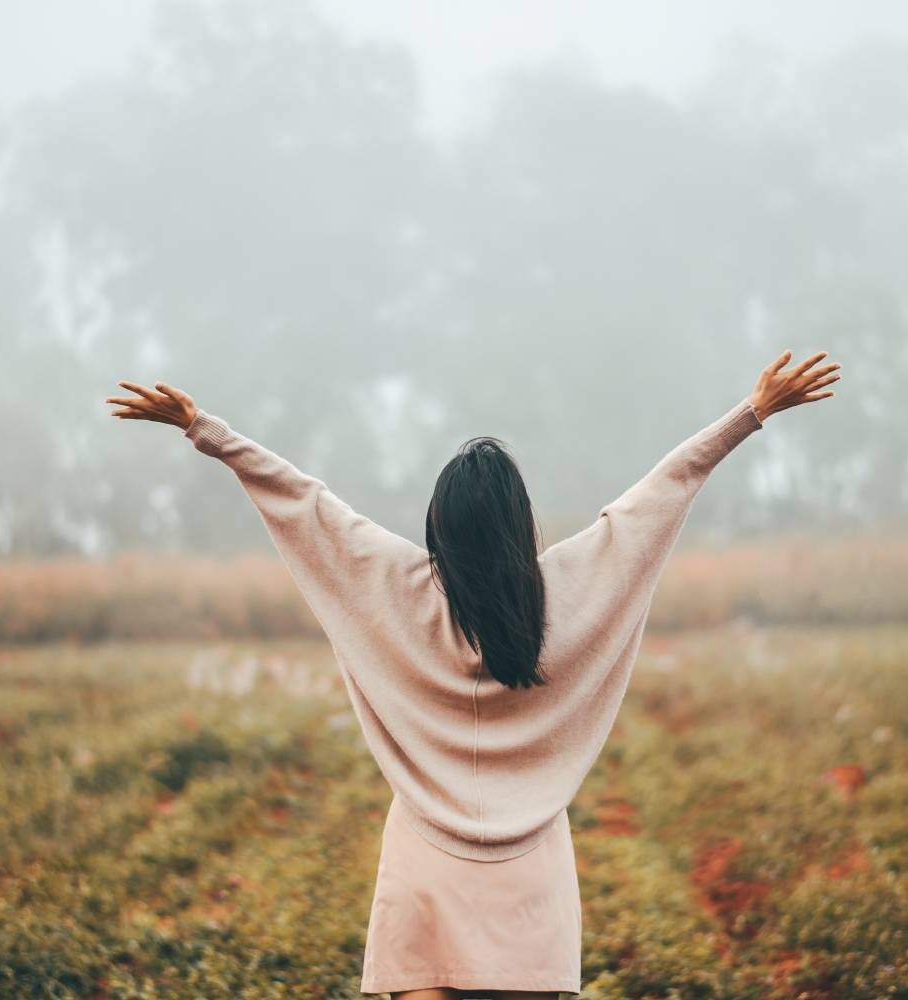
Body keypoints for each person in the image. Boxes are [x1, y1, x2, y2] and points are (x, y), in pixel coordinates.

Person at [106, 348, 840, 1000]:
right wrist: (750, 414)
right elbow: (660, 494)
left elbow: (306, 503)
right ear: (522, 524)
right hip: (533, 877)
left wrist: (207, 430)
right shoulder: (568, 592)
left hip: (425, 861)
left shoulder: (395, 586)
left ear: (439, 526)